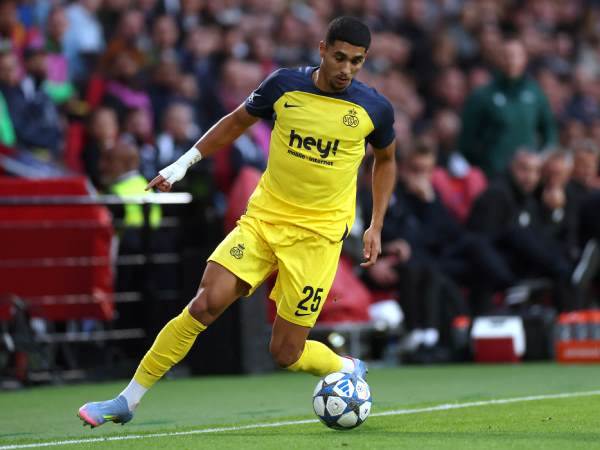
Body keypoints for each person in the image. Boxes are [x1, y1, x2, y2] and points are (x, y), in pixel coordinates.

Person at [78, 16, 396, 428]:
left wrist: (376, 224)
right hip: (264, 221)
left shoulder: (373, 108)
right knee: (204, 304)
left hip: (317, 239)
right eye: (339, 58)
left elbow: (386, 160)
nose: (346, 69)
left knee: (285, 353)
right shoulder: (284, 85)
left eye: (356, 61)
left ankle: (344, 365)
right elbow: (235, 121)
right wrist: (183, 164)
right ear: (322, 49)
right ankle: (127, 400)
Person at [459, 38, 557, 178]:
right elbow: (467, 140)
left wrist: (540, 159)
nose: (511, 61)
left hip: (528, 176)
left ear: (525, 59)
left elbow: (549, 131)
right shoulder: (482, 95)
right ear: (497, 59)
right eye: (506, 55)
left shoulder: (535, 93)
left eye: (516, 55)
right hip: (493, 174)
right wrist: (482, 165)